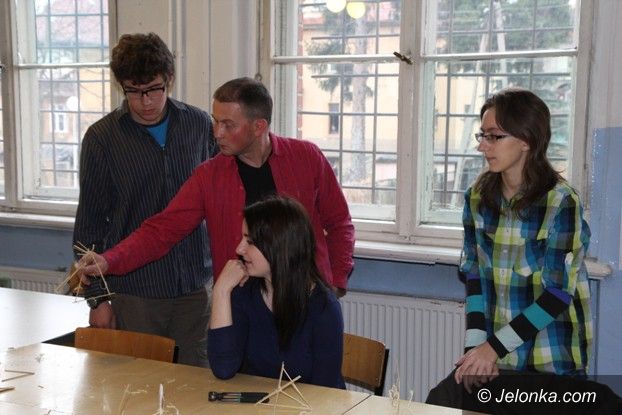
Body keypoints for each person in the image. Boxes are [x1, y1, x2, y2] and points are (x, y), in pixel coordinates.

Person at [425, 88, 618, 413]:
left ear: (527, 139)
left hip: (551, 359)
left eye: (494, 136)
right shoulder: (477, 198)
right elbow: (475, 278)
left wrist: (491, 349)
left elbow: (557, 294)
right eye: (482, 135)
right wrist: (476, 351)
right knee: (443, 399)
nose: (482, 146)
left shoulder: (560, 202)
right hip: (497, 358)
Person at [77, 77, 354, 297]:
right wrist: (109, 260)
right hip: (242, 303)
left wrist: (337, 280)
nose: (217, 132)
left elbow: (339, 222)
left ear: (259, 127)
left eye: (228, 125)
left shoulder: (306, 157)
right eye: (215, 121)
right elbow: (162, 229)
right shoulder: (209, 176)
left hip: (305, 296)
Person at [73, 32, 216, 367]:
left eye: (154, 89)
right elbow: (89, 226)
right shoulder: (101, 138)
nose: (146, 102)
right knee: (139, 385)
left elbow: (217, 201)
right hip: (135, 292)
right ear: (121, 86)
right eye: (134, 91)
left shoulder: (198, 125)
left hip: (195, 288)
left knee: (195, 384)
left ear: (169, 78)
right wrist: (98, 300)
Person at [208, 196, 345, 388]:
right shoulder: (243, 291)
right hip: (258, 403)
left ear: (279, 247)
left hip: (308, 404)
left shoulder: (323, 308)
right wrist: (221, 291)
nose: (239, 249)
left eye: (250, 241)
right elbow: (223, 369)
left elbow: (326, 392)